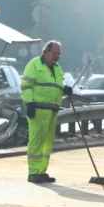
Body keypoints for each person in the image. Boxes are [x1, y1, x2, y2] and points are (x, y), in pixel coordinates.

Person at [21, 40, 73, 184]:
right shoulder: (34, 65)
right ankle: (33, 172)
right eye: (54, 53)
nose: (56, 56)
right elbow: (26, 85)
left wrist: (64, 89)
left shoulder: (57, 68)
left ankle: (42, 171)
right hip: (38, 110)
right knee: (36, 140)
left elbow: (55, 87)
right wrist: (29, 103)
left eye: (58, 54)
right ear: (46, 52)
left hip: (52, 110)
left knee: (47, 142)